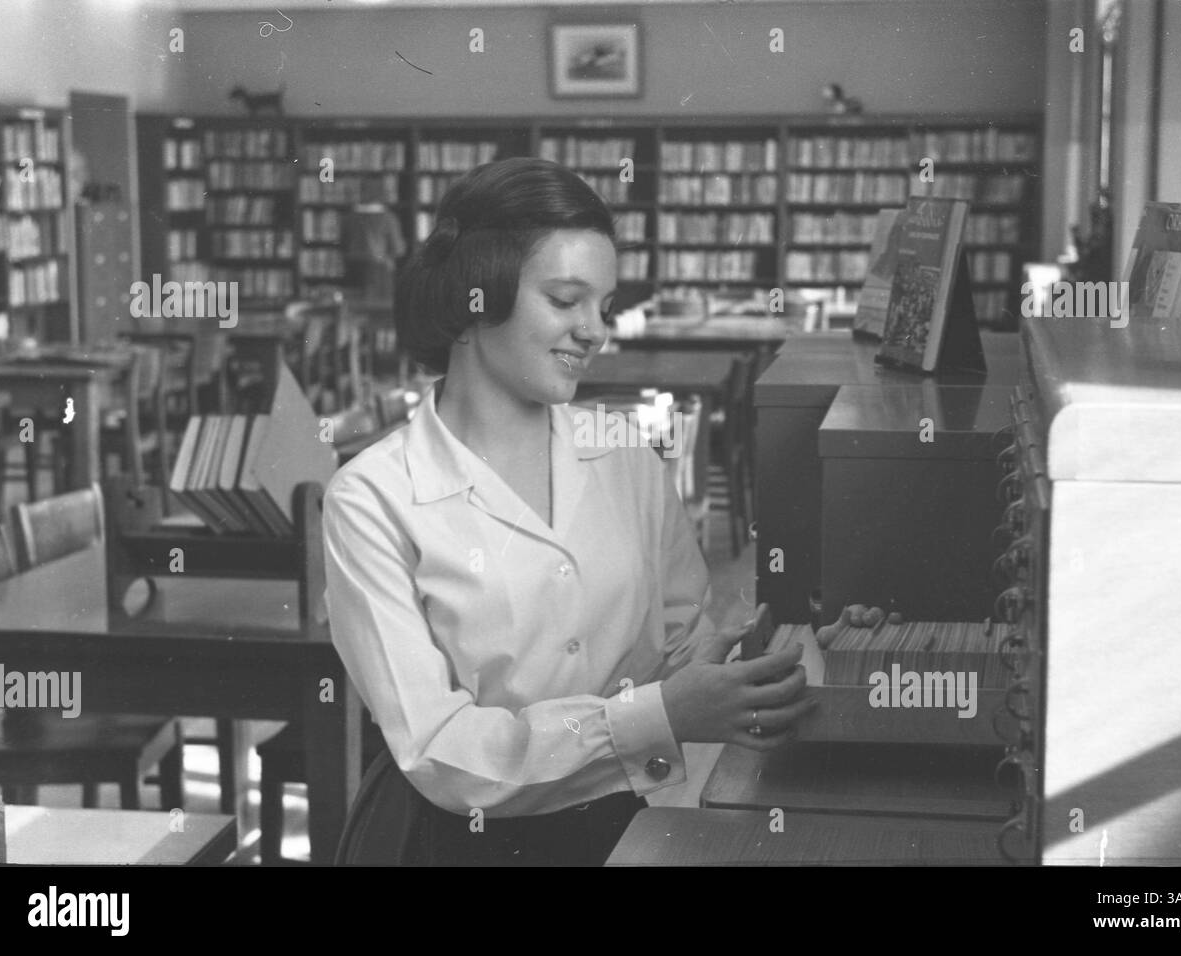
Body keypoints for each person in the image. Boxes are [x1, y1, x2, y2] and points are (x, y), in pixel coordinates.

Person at [322, 156, 814, 866]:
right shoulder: (370, 498)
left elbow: (673, 645)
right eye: (564, 300)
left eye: (604, 307)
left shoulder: (625, 456)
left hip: (615, 830)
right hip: (450, 846)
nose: (595, 331)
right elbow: (439, 750)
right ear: (474, 297)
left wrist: (749, 667)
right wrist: (666, 713)